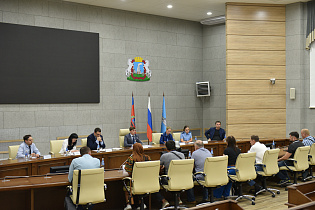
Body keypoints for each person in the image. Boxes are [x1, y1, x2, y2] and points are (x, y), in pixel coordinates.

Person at [124, 143, 151, 210]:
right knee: (140, 187)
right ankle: (141, 203)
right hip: (146, 181)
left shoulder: (131, 158)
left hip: (134, 182)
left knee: (126, 186)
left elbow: (128, 171)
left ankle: (128, 204)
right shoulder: (147, 157)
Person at [159, 140, 185, 208]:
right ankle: (178, 199)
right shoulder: (182, 155)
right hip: (182, 179)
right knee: (176, 177)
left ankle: (164, 201)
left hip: (169, 180)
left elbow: (159, 168)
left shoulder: (164, 156)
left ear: (166, 148)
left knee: (155, 181)